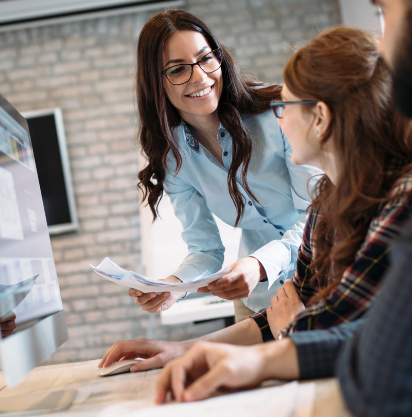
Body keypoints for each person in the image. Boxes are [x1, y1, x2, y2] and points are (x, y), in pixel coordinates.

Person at [153, 0, 412, 415]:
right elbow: (363, 332)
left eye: (383, 12)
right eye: (178, 69)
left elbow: (371, 344)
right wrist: (182, 348)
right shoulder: (325, 207)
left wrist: (291, 327)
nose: (383, 45)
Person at [132, 9, 321, 319]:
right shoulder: (174, 161)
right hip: (260, 302)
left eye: (206, 58)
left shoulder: (278, 112)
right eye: (178, 70)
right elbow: (206, 250)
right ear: (156, 84)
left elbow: (317, 215)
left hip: (327, 281)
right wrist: (174, 285)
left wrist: (259, 264)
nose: (201, 77)